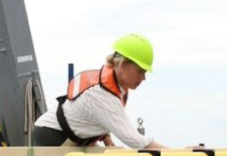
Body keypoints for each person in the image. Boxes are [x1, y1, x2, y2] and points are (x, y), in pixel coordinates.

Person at [32, 34, 166, 149]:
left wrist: (108, 140)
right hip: (52, 137)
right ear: (123, 65)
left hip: (72, 138)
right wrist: (182, 155)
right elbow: (137, 142)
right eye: (140, 71)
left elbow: (97, 118)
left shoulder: (116, 87)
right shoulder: (101, 95)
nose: (144, 78)